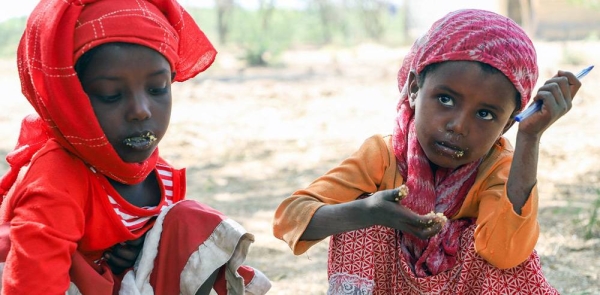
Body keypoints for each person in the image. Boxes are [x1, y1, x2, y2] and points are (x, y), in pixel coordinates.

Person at [273, 9, 581, 294]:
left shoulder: (496, 168)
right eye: (446, 99)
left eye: (485, 114)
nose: (458, 126)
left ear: (506, 126)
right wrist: (367, 213)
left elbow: (505, 253)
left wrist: (530, 137)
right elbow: (290, 217)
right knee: (363, 220)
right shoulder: (383, 155)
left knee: (497, 242)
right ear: (414, 88)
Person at [0, 0, 271, 294]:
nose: (141, 110)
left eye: (157, 89)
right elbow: (32, 280)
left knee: (191, 221)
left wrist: (141, 250)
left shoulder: (160, 174)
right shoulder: (56, 179)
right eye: (110, 95)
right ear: (69, 100)